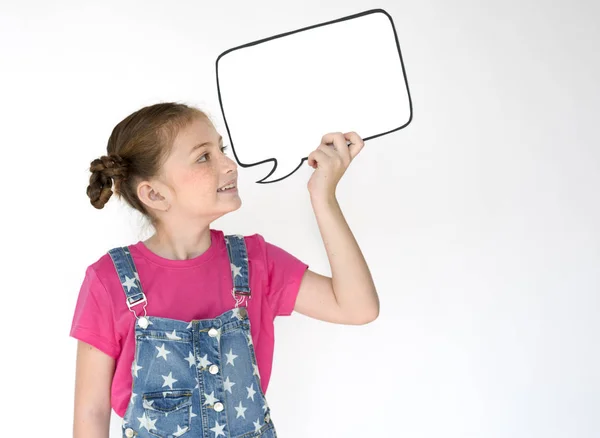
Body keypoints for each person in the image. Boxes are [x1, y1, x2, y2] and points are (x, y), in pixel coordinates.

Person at [70, 102, 379, 438]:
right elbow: (91, 411)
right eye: (204, 157)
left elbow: (357, 307)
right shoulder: (109, 280)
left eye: (221, 150)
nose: (229, 165)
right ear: (155, 194)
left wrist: (324, 196)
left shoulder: (255, 262)